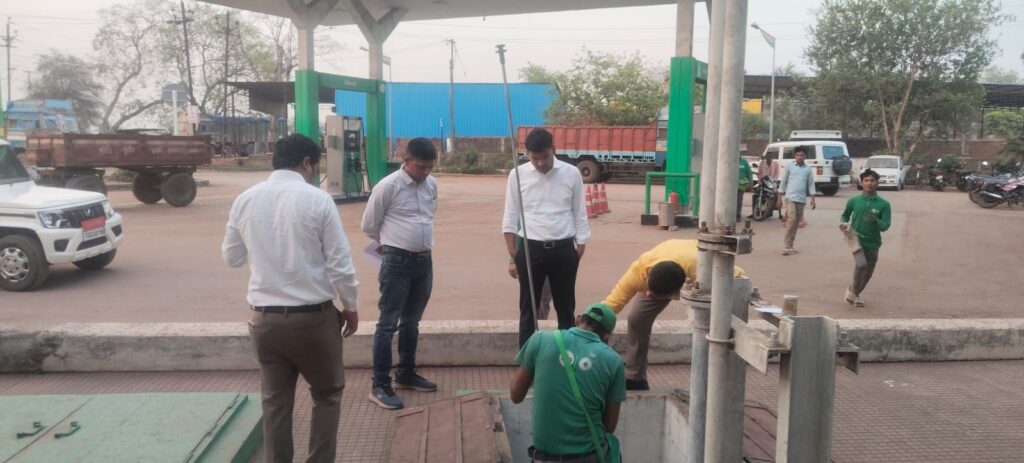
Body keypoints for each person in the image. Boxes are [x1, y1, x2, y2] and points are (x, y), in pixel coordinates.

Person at [222, 133, 359, 463]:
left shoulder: (245, 199)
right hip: (314, 320)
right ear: (306, 163)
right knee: (327, 395)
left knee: (274, 402)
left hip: (265, 321)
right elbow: (339, 264)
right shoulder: (318, 200)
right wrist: (350, 306)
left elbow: (232, 257)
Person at [603, 239, 744, 390]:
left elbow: (738, 276)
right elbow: (611, 305)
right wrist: (594, 328)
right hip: (667, 264)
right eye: (648, 290)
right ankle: (635, 378)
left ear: (676, 292)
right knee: (637, 318)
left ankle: (718, 382)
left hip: (696, 274)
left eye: (655, 295)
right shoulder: (638, 272)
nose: (648, 295)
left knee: (717, 327)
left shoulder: (703, 270)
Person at [361, 138, 439, 410]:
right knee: (388, 323)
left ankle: (405, 373)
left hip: (423, 262)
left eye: (430, 167)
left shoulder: (431, 184)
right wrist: (394, 243)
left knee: (411, 322)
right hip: (396, 262)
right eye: (420, 166)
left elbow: (428, 216)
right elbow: (369, 226)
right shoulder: (387, 186)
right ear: (406, 161)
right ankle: (380, 384)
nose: (425, 172)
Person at [503, 127, 591, 347]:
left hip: (564, 250)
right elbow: (510, 215)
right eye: (534, 158)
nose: (540, 163)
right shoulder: (517, 175)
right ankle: (528, 358)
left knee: (565, 308)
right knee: (528, 308)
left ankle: (566, 357)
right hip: (530, 249)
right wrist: (514, 253)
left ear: (554, 149)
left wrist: (580, 247)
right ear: (527, 154)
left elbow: (579, 213)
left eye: (545, 157)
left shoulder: (571, 173)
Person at [510, 303, 626, 463]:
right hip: (589, 456)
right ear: (607, 335)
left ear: (578, 319)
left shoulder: (540, 339)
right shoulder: (614, 361)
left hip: (545, 458)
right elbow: (610, 426)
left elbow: (515, 395)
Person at [840, 169, 891, 308]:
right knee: (861, 265)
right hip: (856, 239)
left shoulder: (884, 204)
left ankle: (854, 292)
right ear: (861, 183)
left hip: (873, 242)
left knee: (868, 272)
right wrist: (843, 224)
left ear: (877, 183)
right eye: (866, 180)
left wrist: (876, 220)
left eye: (872, 180)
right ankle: (854, 293)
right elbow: (845, 216)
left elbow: (885, 226)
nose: (869, 183)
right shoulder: (854, 201)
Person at [779, 146, 816, 255]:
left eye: (802, 155)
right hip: (790, 197)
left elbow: (811, 184)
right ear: (794, 156)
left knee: (795, 223)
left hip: (801, 199)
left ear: (805, 156)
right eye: (797, 155)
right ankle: (786, 246)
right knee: (792, 219)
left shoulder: (808, 169)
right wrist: (779, 198)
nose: (799, 157)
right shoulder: (789, 167)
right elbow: (783, 182)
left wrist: (813, 199)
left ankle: (790, 245)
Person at [753, 152, 783, 219]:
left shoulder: (776, 164)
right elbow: (759, 172)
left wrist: (773, 180)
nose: (769, 158)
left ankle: (780, 213)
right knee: (756, 195)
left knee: (777, 196)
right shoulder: (762, 163)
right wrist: (760, 178)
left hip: (771, 183)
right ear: (766, 157)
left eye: (770, 157)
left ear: (772, 157)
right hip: (762, 182)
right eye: (768, 157)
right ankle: (754, 212)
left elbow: (777, 174)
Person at [737, 156, 753, 221]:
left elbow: (749, 173)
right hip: (731, 186)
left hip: (740, 186)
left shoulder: (744, 162)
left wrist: (750, 183)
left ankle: (738, 215)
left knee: (739, 201)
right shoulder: (731, 160)